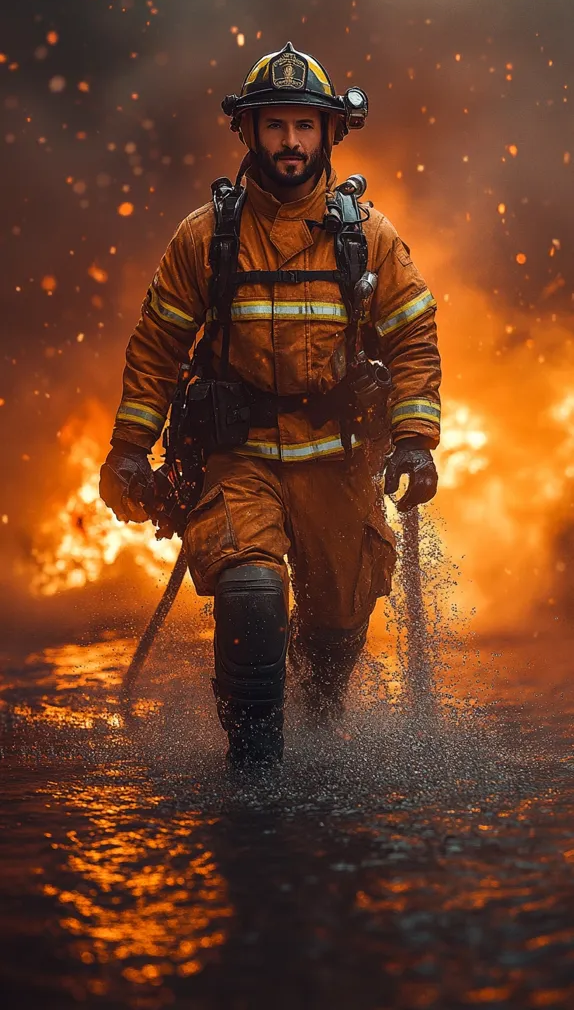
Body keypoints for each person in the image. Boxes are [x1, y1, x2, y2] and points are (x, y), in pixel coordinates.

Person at [99, 43, 441, 768]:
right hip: (240, 460)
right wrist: (129, 449)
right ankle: (255, 778)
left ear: (328, 134)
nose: (290, 142)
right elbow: (158, 346)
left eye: (304, 127)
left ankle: (316, 725)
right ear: (249, 132)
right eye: (275, 126)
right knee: (252, 592)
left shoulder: (367, 237)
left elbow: (413, 339)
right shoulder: (206, 238)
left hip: (339, 466)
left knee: (337, 627)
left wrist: (415, 438)